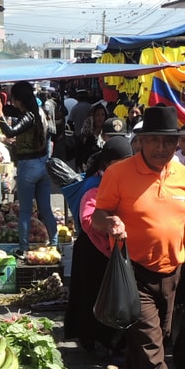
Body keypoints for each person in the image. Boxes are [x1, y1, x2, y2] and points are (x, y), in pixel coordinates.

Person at [91, 105, 185, 369]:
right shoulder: (119, 173)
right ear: (140, 142)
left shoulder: (183, 175)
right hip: (133, 275)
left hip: (172, 274)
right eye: (154, 140)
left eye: (168, 142)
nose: (161, 148)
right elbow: (98, 215)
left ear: (177, 144)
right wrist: (110, 222)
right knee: (153, 352)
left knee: (154, 343)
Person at [64, 136, 132, 355]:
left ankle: (109, 339)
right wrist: (109, 223)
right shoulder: (94, 185)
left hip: (110, 248)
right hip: (93, 250)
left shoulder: (121, 180)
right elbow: (87, 219)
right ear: (106, 164)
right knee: (93, 296)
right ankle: (95, 340)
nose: (125, 167)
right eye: (120, 162)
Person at [0, 80, 58, 253]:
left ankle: (24, 248)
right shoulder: (40, 112)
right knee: (45, 208)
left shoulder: (29, 115)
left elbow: (10, 132)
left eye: (14, 99)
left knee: (26, 211)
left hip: (29, 167)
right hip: (43, 164)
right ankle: (55, 244)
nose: (12, 103)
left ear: (20, 99)